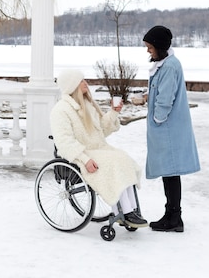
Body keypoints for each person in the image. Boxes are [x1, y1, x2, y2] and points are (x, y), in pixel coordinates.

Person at [50, 68, 148, 228]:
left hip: (98, 148)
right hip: (81, 154)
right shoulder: (60, 110)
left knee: (123, 159)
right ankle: (126, 211)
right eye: (81, 80)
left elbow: (101, 130)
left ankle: (132, 210)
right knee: (114, 162)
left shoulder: (87, 104)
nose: (85, 83)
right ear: (72, 85)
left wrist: (114, 112)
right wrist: (85, 159)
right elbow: (65, 142)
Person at [143, 25, 200, 232]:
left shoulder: (168, 67)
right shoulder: (166, 64)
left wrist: (158, 119)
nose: (148, 50)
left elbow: (165, 100)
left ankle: (174, 217)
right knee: (170, 173)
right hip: (169, 128)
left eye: (150, 47)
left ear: (160, 47)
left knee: (171, 172)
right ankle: (172, 214)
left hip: (168, 128)